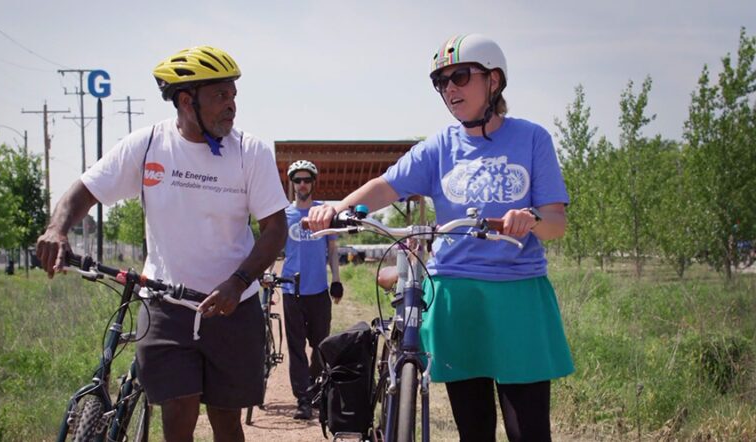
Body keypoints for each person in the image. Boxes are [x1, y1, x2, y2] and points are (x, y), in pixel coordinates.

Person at [307, 34, 574, 441]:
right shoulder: (439, 147)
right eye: (441, 82)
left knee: (530, 430)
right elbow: (386, 185)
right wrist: (338, 208)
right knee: (474, 428)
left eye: (460, 76)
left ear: (494, 81)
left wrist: (531, 217)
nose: (450, 89)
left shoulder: (532, 138)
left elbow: (556, 222)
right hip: (455, 295)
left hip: (518, 295)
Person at [36, 45, 289, 442]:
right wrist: (57, 228)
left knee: (226, 422)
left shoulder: (250, 152)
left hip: (233, 309)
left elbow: (275, 228)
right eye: (221, 95)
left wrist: (238, 282)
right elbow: (85, 189)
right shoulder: (149, 144)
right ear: (187, 101)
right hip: (166, 308)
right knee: (177, 414)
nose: (232, 106)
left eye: (234, 95)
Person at [281, 160, 343, 420]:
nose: (302, 184)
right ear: (292, 184)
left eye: (307, 180)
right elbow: (272, 247)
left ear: (313, 183)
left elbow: (332, 249)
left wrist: (336, 280)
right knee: (295, 348)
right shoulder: (283, 215)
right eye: (298, 180)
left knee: (320, 345)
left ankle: (317, 392)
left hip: (318, 289)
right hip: (290, 288)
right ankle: (303, 399)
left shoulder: (324, 213)